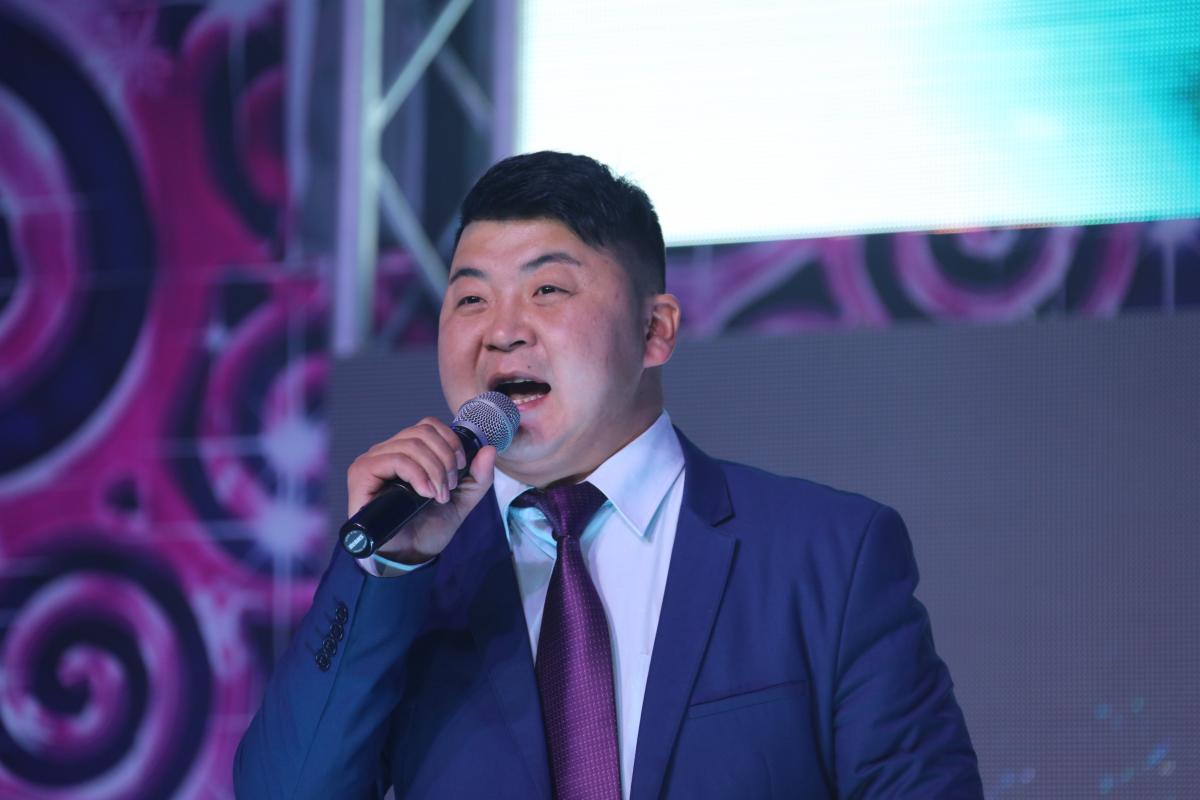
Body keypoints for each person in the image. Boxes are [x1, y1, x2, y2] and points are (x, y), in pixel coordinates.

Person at [234, 151, 983, 799]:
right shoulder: (412, 582)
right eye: (470, 299)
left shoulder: (827, 554)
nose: (502, 331)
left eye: (547, 290)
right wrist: (386, 570)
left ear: (654, 330)